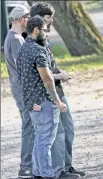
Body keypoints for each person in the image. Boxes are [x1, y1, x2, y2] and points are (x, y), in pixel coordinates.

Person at [29, 2, 85, 177]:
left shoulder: (45, 39)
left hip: (58, 90)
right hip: (47, 95)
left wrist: (60, 72)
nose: (51, 22)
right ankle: (58, 170)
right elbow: (38, 74)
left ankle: (67, 166)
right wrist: (58, 76)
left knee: (68, 129)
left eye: (51, 18)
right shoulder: (34, 41)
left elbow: (49, 66)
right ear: (38, 20)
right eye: (48, 19)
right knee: (57, 133)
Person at [16, 15, 67, 179]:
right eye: (45, 30)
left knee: (39, 138)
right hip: (45, 102)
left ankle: (38, 173)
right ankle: (46, 174)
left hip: (31, 103)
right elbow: (46, 78)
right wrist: (57, 101)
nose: (47, 34)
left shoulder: (23, 49)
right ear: (36, 30)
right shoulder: (38, 50)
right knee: (45, 141)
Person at [3, 6, 35, 179]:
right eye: (28, 17)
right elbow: (23, 68)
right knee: (29, 127)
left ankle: (30, 166)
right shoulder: (15, 39)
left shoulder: (14, 38)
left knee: (30, 126)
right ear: (21, 19)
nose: (30, 20)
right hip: (23, 91)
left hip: (21, 89)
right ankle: (26, 168)